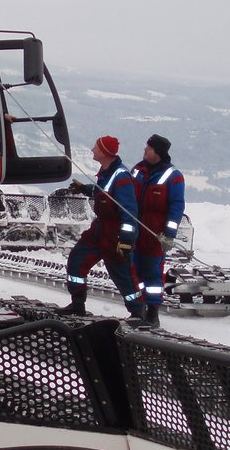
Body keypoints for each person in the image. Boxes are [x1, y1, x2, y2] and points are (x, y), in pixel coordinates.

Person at [59, 135, 142, 318]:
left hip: (114, 234)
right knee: (77, 260)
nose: (92, 150)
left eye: (95, 147)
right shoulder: (107, 173)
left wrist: (126, 240)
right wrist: (84, 189)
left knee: (122, 275)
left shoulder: (122, 178)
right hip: (100, 229)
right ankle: (77, 304)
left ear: (104, 152)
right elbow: (102, 192)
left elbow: (128, 212)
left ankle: (138, 313)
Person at [131, 134, 186, 328]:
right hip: (135, 234)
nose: (145, 150)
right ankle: (139, 310)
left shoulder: (173, 177)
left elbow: (176, 207)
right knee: (134, 274)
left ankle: (152, 313)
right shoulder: (138, 170)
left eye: (148, 148)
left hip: (155, 236)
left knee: (153, 275)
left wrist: (169, 235)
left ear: (158, 152)